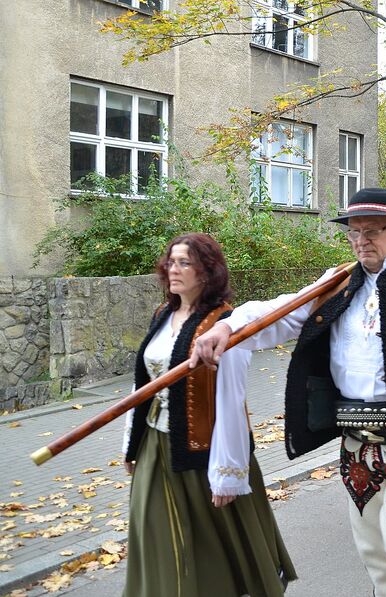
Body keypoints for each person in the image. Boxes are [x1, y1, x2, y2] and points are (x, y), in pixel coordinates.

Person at [190, 189, 386, 597]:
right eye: (354, 232)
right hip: (355, 441)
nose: (361, 241)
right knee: (375, 551)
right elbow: (282, 313)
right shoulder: (340, 283)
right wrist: (228, 326)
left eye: (372, 231)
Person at [122, 233, 296, 597]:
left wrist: (228, 474)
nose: (173, 269)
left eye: (184, 262)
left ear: (207, 271)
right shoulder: (163, 314)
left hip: (206, 453)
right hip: (155, 447)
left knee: (213, 549)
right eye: (171, 261)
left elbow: (231, 401)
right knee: (155, 532)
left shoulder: (224, 324)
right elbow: (143, 385)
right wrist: (131, 443)